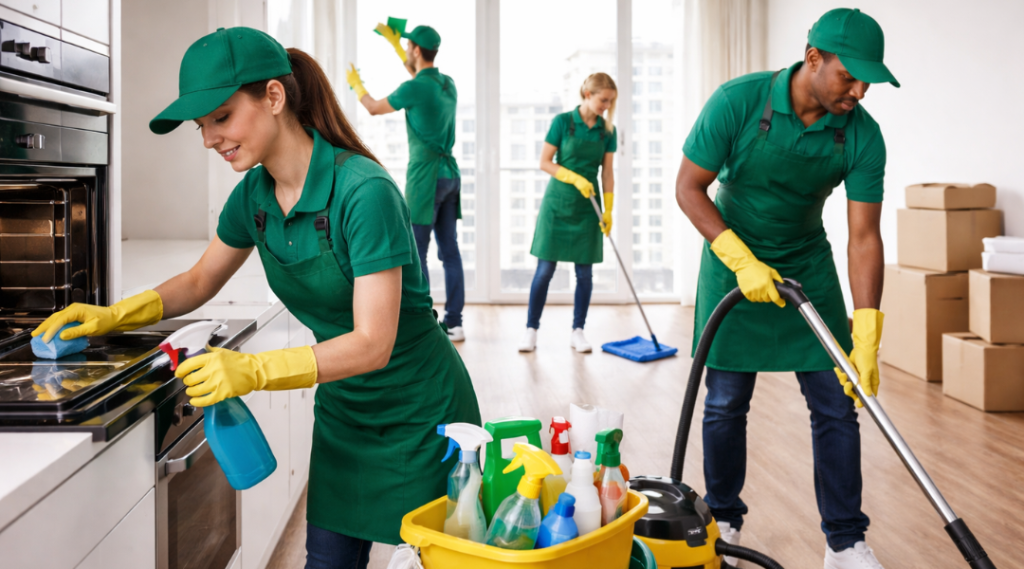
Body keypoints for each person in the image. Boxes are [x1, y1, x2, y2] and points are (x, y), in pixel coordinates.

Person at [32, 28, 481, 569]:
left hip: (420, 411)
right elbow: (200, 282)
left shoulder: (364, 193)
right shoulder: (254, 196)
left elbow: (372, 344)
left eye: (221, 117)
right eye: (202, 127)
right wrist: (112, 314)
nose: (208, 139)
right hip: (345, 414)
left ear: (273, 96)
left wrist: (252, 370)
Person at [676, 9, 895, 569]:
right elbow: (689, 187)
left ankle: (845, 541)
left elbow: (864, 236)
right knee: (725, 404)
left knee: (836, 406)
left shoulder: (862, 135)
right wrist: (739, 259)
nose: (860, 90)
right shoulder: (738, 102)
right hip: (733, 263)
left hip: (807, 266)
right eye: (850, 76)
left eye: (868, 79)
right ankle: (722, 519)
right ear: (813, 58)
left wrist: (866, 330)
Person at [345, 20, 466, 342]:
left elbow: (372, 108)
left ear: (415, 49)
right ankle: (455, 323)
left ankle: (425, 321)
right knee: (450, 252)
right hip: (451, 177)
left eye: (408, 46)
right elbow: (418, 76)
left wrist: (356, 85)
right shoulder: (447, 84)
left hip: (426, 179)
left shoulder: (414, 88)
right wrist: (398, 47)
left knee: (416, 253)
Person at [518, 73, 617, 353]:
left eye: (610, 101)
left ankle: (578, 331)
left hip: (589, 207)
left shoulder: (607, 130)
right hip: (558, 204)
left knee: (584, 274)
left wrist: (609, 209)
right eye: (603, 99)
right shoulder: (562, 122)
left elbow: (608, 173)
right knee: (545, 270)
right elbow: (544, 162)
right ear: (588, 94)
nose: (607, 106)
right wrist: (573, 178)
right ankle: (531, 330)